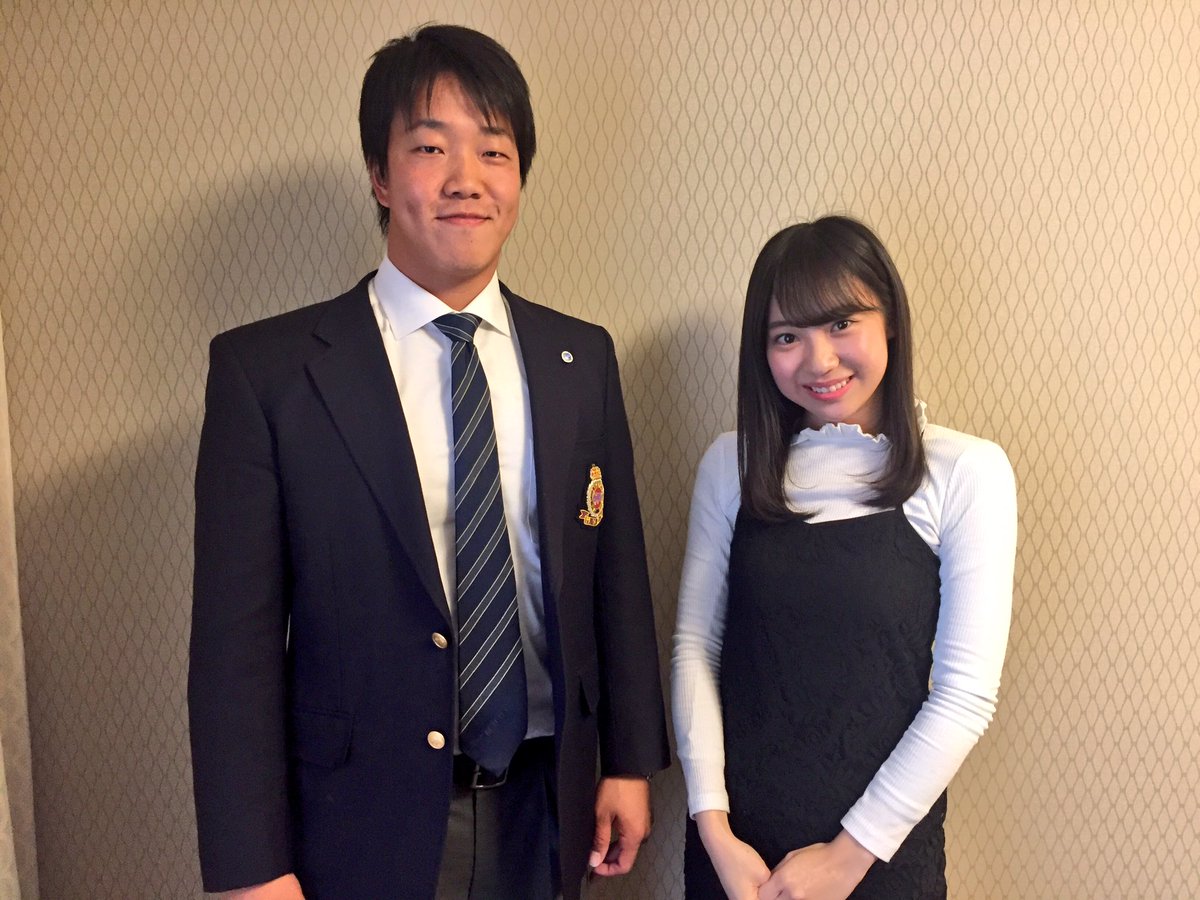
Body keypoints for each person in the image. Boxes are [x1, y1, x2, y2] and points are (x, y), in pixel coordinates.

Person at [189, 25, 669, 900]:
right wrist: (250, 868)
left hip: (546, 803)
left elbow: (617, 578)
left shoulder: (581, 359)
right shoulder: (270, 374)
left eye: (494, 150)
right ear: (380, 174)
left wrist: (630, 761)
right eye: (429, 147)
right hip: (358, 821)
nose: (466, 178)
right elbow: (234, 647)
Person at [671, 216, 1017, 899]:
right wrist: (715, 833)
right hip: (738, 855)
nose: (819, 360)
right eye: (787, 337)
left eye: (841, 324)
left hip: (882, 853)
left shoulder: (966, 471)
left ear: (890, 322)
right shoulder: (729, 466)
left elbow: (964, 696)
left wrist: (844, 859)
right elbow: (694, 650)